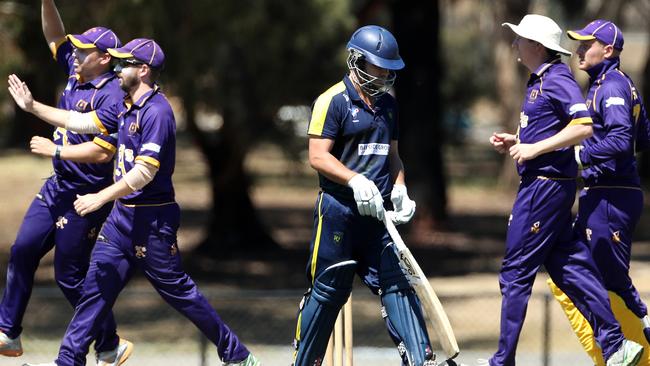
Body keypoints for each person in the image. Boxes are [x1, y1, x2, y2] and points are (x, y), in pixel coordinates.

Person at [7, 38, 259, 366]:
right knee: (94, 292)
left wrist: (101, 196)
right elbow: (82, 122)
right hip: (121, 219)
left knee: (180, 293)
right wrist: (32, 108)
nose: (117, 67)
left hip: (153, 223)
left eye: (124, 63)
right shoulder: (123, 105)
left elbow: (144, 173)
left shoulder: (158, 112)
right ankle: (67, 361)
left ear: (143, 70)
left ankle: (236, 354)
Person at [486, 14, 643, 366]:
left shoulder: (558, 79)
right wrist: (519, 140)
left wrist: (534, 150)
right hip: (546, 186)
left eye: (520, 39)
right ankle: (617, 344)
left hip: (544, 189)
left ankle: (503, 362)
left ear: (537, 47)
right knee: (567, 264)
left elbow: (583, 126)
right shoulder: (538, 80)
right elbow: (559, 130)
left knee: (514, 273)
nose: (514, 44)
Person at [291, 25, 433, 366]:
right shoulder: (332, 101)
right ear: (356, 61)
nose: (384, 74)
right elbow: (317, 156)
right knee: (328, 291)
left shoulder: (388, 105)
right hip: (338, 210)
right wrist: (354, 180)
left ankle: (421, 360)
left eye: (388, 68)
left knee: (397, 286)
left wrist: (400, 187)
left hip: (378, 216)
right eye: (377, 66)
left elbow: (392, 155)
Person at [0, 1, 132, 364]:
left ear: (104, 58)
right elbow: (54, 34)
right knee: (23, 249)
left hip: (86, 197)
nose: (75, 54)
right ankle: (8, 332)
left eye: (85, 50)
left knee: (69, 277)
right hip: (57, 187)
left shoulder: (113, 96)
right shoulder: (77, 72)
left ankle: (109, 342)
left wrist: (54, 150)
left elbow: (102, 153)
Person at [545, 19, 650, 366]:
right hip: (607, 190)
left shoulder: (612, 87)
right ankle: (622, 343)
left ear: (608, 50)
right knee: (581, 267)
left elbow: (624, 140)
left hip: (611, 194)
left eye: (586, 44)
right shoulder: (609, 84)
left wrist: (581, 156)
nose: (578, 50)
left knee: (608, 276)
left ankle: (637, 338)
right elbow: (644, 135)